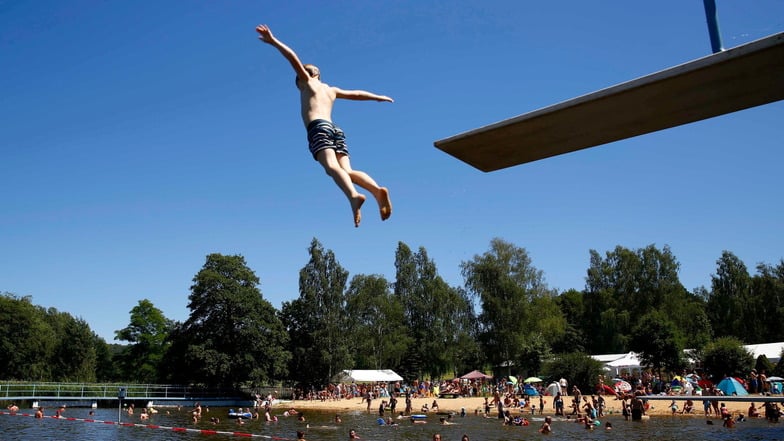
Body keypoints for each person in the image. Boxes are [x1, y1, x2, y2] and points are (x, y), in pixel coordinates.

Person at [256, 24, 394, 227]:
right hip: (335, 129)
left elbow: (292, 58)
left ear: (306, 77)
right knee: (346, 171)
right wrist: (377, 97)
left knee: (331, 167)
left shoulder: (307, 83)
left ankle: (354, 197)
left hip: (318, 127)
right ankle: (376, 190)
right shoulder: (331, 89)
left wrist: (273, 41)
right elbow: (356, 94)